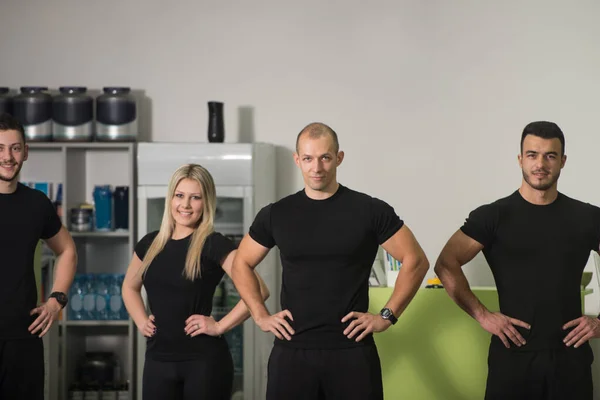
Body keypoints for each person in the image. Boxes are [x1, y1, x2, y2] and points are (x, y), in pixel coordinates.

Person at [230, 122, 430, 400]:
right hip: (292, 351)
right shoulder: (276, 214)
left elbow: (416, 260)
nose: (317, 167)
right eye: (308, 158)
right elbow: (240, 263)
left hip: (352, 352)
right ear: (297, 159)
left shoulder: (369, 210)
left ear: (339, 158)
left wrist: (386, 316)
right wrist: (260, 315)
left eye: (325, 157)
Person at [434, 121, 600, 399]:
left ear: (563, 161)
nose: (541, 164)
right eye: (532, 155)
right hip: (512, 359)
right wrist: (483, 315)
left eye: (550, 155)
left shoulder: (588, 218)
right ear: (520, 159)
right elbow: (445, 262)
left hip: (570, 359)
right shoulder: (493, 216)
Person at [122, 163, 269, 400]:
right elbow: (129, 287)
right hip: (157, 361)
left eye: (195, 198)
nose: (186, 205)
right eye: (179, 196)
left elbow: (259, 291)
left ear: (206, 202)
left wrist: (221, 326)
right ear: (171, 198)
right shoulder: (149, 244)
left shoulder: (213, 243)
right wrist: (141, 320)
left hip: (204, 364)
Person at [0, 112, 77, 399]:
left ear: (25, 152)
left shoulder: (36, 203)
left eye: (15, 148)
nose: (8, 157)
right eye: (0, 148)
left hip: (24, 337)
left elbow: (67, 250)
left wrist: (56, 300)